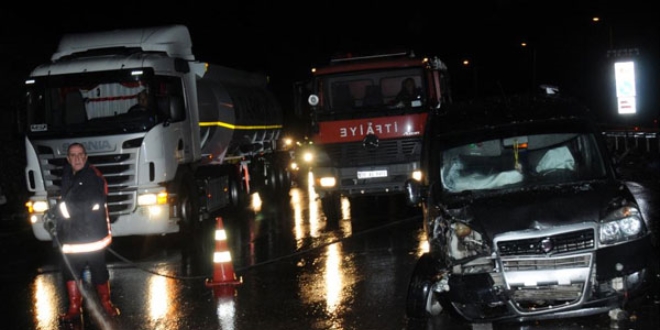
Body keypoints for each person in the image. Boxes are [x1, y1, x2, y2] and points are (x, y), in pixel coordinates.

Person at [50, 142, 120, 321]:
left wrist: (59, 211)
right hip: (71, 238)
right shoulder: (67, 176)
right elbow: (65, 203)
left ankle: (106, 304)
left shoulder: (92, 177)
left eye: (80, 154)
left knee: (99, 271)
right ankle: (74, 308)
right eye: (73, 155)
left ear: (86, 157)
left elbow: (87, 204)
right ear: (68, 159)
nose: (77, 158)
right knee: (70, 271)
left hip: (92, 236)